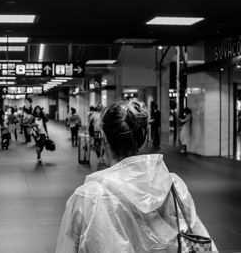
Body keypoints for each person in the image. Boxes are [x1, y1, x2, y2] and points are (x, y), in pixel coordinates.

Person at [56, 99, 217, 253]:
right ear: (144, 139)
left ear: (105, 138)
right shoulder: (174, 187)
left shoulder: (88, 196)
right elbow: (202, 240)